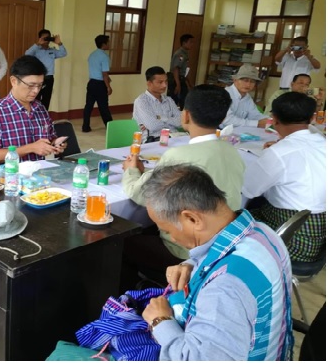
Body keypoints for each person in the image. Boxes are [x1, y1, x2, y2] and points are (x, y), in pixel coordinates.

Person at [140, 164, 293, 360]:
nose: (172, 238)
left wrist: (159, 321)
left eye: (167, 230)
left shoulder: (224, 288)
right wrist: (193, 264)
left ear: (192, 219)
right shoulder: (263, 232)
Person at [122, 85, 244, 283]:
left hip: (188, 252)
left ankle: (139, 294)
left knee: (123, 242)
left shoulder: (178, 155)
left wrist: (131, 171)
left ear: (185, 115)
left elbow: (140, 194)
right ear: (222, 118)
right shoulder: (231, 151)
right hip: (224, 245)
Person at [243, 93, 326, 264]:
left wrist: (274, 153)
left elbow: (248, 189)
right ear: (312, 118)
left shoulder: (278, 153)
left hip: (293, 241)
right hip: (320, 234)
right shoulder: (322, 141)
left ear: (274, 119)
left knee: (238, 213)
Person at [0, 55, 66, 163]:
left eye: (40, 85)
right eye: (31, 85)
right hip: (11, 172)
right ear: (14, 81)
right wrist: (31, 148)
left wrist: (56, 143)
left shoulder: (40, 108)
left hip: (39, 171)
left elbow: (50, 137)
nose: (36, 91)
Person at [133, 66, 181, 140]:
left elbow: (181, 122)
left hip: (174, 136)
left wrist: (162, 118)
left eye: (166, 81)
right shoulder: (142, 101)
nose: (165, 85)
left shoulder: (169, 100)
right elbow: (153, 126)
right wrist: (172, 121)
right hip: (154, 139)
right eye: (160, 82)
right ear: (149, 83)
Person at [25, 29, 67, 110]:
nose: (46, 40)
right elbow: (27, 54)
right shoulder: (36, 50)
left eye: (48, 38)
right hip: (37, 79)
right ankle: (34, 116)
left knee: (46, 100)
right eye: (44, 38)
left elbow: (63, 53)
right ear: (40, 38)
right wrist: (37, 44)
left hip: (49, 79)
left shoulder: (52, 50)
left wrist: (59, 43)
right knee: (35, 99)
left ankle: (44, 116)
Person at [82, 35, 113, 132]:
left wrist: (107, 78)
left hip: (91, 83)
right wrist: (108, 87)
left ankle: (85, 127)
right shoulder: (104, 57)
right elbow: (104, 74)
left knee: (88, 106)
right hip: (100, 85)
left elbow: (96, 70)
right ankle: (111, 128)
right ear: (104, 44)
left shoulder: (92, 55)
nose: (109, 44)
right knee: (103, 107)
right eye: (108, 42)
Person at [167, 34, 194, 109]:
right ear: (184, 43)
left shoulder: (185, 53)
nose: (192, 44)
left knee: (184, 100)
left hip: (181, 79)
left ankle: (181, 114)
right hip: (176, 80)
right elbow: (176, 69)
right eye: (190, 42)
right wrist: (178, 84)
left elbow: (185, 70)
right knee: (174, 101)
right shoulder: (180, 54)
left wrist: (189, 83)